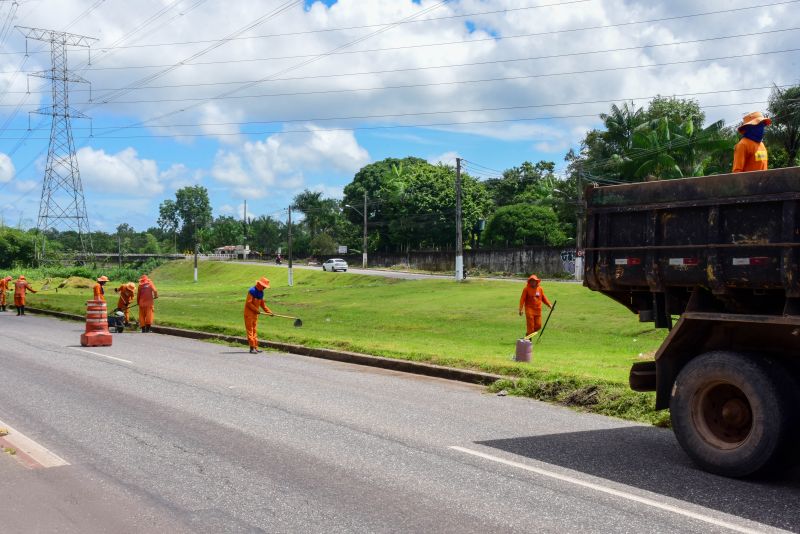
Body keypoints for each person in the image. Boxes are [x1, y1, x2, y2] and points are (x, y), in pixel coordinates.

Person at [244, 276, 273, 354]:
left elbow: (262, 305)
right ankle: (251, 348)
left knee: (254, 330)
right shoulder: (252, 291)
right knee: (250, 331)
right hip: (249, 314)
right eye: (264, 286)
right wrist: (257, 310)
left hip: (255, 314)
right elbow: (249, 303)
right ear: (260, 284)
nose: (265, 288)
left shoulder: (261, 293)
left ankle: (255, 347)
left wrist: (269, 312)